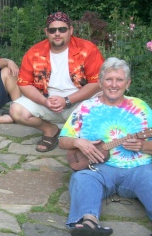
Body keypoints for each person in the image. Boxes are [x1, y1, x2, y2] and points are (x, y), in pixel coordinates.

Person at [59, 57, 152, 236]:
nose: (114, 85)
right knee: (82, 178)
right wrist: (79, 143)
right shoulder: (86, 108)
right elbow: (62, 141)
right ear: (100, 82)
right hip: (98, 169)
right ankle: (89, 223)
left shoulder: (140, 106)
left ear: (128, 83)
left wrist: (143, 145)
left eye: (119, 80)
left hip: (137, 168)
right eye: (109, 79)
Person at [10, 11, 105, 152]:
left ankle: (76, 136)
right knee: (16, 110)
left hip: (77, 102)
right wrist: (44, 101)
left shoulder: (87, 49)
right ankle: (50, 130)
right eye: (52, 30)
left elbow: (97, 82)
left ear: (70, 30)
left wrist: (67, 100)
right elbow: (24, 84)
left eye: (62, 29)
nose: (57, 33)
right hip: (47, 102)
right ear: (46, 32)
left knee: (102, 100)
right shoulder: (34, 52)